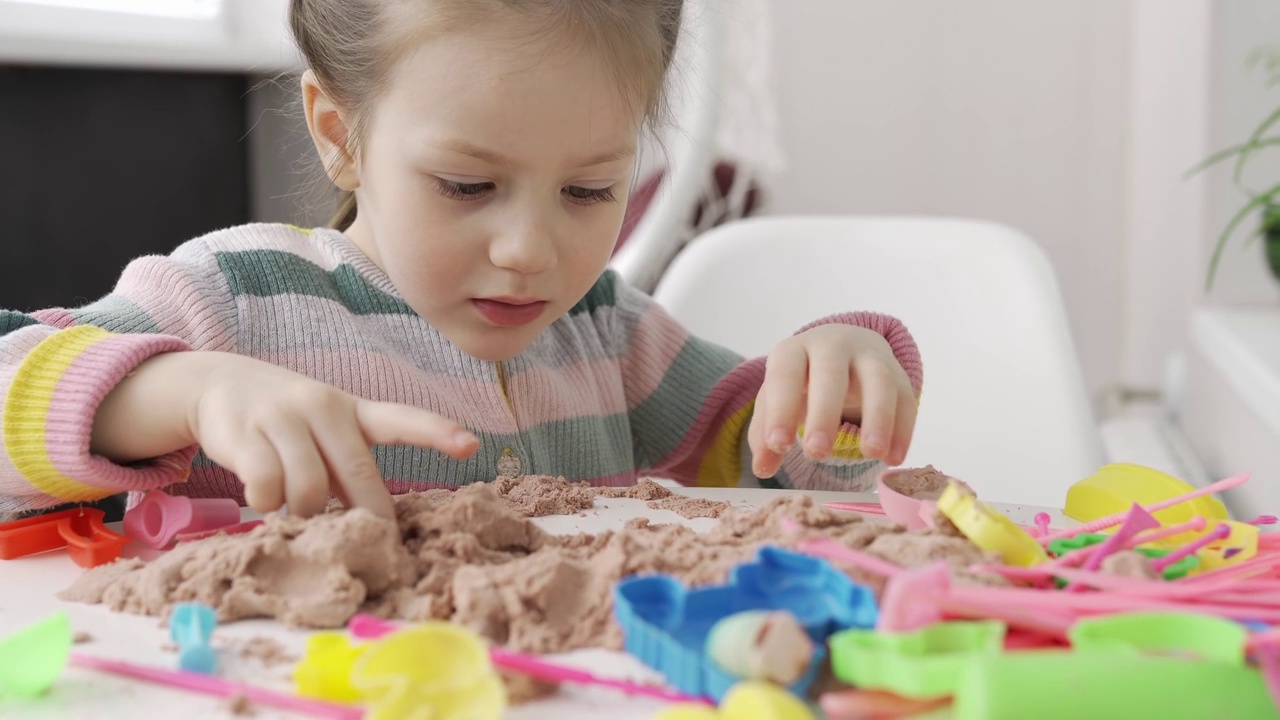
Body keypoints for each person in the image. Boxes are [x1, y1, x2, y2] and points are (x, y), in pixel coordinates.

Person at [0, 0, 922, 523]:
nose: (530, 252)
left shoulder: (611, 335)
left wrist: (831, 394)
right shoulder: (237, 299)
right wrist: (188, 391)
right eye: (466, 186)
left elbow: (788, 485)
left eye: (589, 191)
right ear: (342, 135)